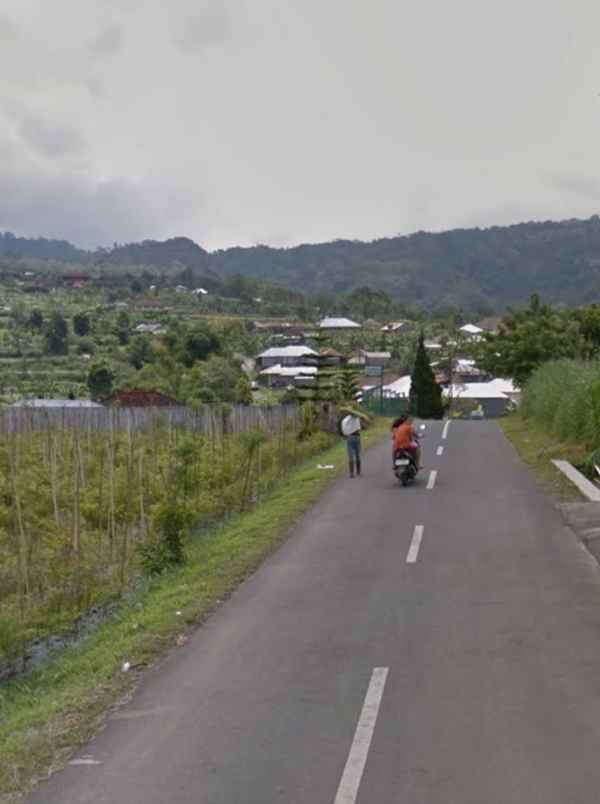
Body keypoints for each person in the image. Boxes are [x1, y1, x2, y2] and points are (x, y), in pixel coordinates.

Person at [340, 412, 362, 478]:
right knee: (357, 454)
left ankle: (351, 473)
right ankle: (358, 471)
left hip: (349, 437)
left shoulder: (345, 420)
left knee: (350, 455)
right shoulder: (357, 418)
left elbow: (344, 431)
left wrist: (346, 434)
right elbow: (359, 428)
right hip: (357, 436)